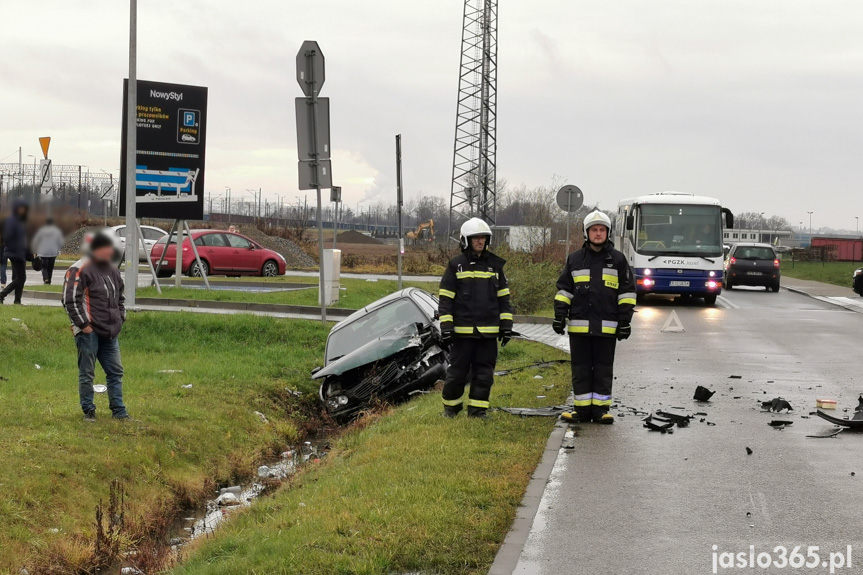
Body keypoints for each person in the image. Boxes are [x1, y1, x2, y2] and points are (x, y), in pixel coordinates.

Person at [552, 211, 636, 424]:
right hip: (579, 328)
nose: (598, 234)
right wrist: (559, 316)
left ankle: (600, 410)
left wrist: (625, 322)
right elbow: (564, 291)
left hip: (606, 328)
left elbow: (626, 293)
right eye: (594, 230)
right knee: (580, 369)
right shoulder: (574, 259)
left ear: (608, 233)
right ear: (586, 233)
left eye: (602, 230)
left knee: (603, 369)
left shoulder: (618, 260)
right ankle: (581, 411)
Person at [438, 218, 513, 420]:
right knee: (457, 373)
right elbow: (445, 299)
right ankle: (450, 409)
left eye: (483, 238)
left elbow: (504, 299)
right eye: (475, 238)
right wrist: (446, 327)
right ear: (465, 240)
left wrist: (506, 325)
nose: (480, 241)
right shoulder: (456, 266)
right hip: (462, 333)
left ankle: (478, 411)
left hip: (487, 333)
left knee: (484, 374)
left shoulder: (495, 266)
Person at [62, 230, 129, 422]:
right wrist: (84, 326)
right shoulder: (79, 269)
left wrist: (120, 318)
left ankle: (119, 412)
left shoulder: (113, 270)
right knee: (87, 374)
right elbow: (70, 301)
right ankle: (89, 411)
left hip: (110, 333)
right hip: (88, 332)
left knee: (115, 372)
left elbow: (120, 298)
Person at [0, 200, 30, 304]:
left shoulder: (18, 220)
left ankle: (17, 300)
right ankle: (2, 294)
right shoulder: (14, 221)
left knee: (19, 278)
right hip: (16, 252)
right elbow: (8, 236)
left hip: (18, 252)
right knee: (21, 278)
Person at [32, 217, 64, 285]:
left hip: (43, 252)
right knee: (50, 268)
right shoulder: (57, 231)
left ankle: (46, 279)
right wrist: (58, 250)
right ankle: (49, 280)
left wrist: (35, 251)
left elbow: (35, 241)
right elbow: (60, 242)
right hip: (53, 252)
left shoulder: (41, 231)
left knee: (44, 267)